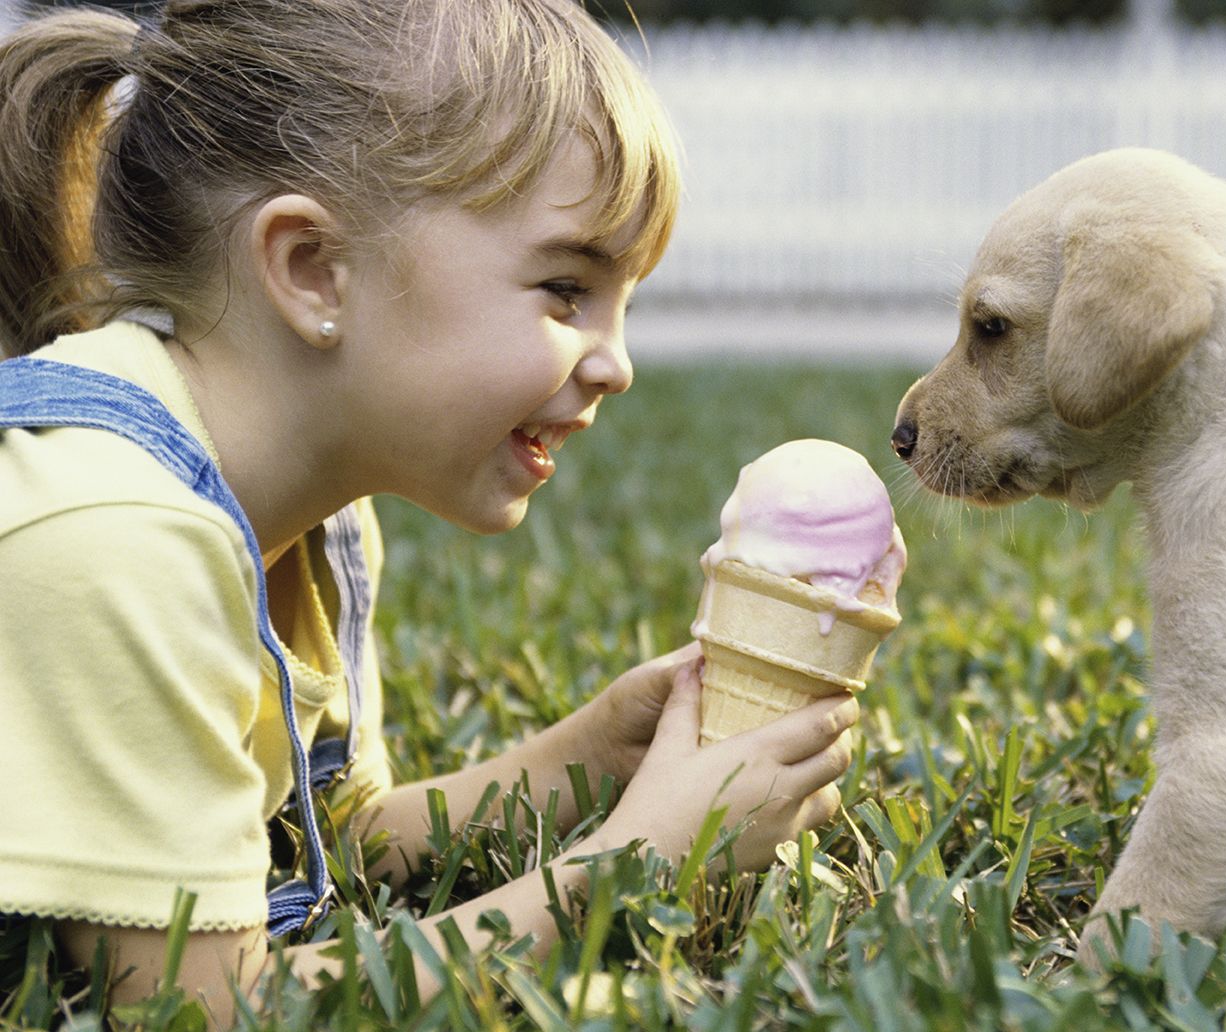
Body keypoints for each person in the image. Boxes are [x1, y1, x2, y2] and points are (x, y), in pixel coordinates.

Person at [0, 0, 857, 1020]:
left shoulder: (319, 522)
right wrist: (638, 860)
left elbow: (331, 837)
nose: (616, 364)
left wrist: (588, 759)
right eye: (562, 287)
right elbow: (208, 1007)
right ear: (313, 268)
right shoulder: (114, 532)